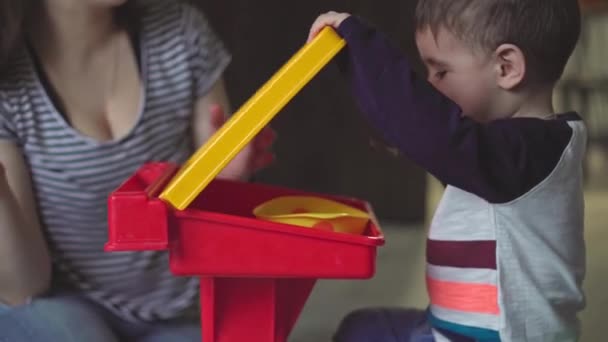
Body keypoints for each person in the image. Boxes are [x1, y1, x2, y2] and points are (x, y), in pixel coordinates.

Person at [308, 1, 585, 341]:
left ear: (506, 67)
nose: (432, 87)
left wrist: (361, 44)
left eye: (441, 72)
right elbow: (433, 138)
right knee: (362, 327)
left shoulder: (530, 151)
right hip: (452, 324)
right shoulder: (515, 152)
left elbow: (439, 136)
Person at [0, 0, 273, 341]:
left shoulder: (179, 32)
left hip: (180, 312)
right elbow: (25, 288)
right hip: (65, 307)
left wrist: (227, 184)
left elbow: (219, 225)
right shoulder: (9, 81)